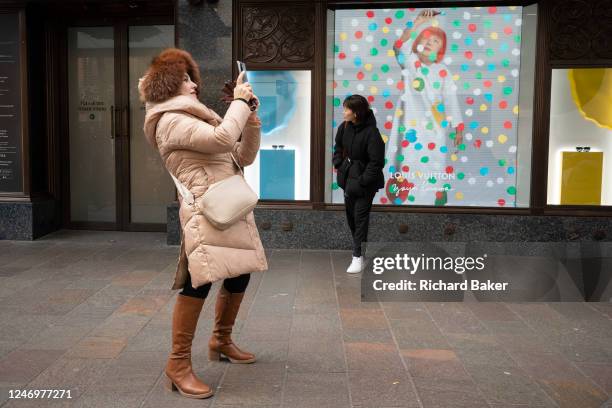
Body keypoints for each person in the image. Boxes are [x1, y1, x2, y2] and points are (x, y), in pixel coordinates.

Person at [139, 48, 267, 399]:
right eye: (185, 79)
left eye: (192, 77)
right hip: (205, 211)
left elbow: (242, 155)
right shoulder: (170, 120)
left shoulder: (197, 116)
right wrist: (238, 103)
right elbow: (224, 138)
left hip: (227, 205)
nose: (194, 84)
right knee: (200, 282)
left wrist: (250, 116)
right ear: (168, 85)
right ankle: (178, 365)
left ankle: (222, 341)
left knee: (238, 271)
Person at [388, 9, 464, 206]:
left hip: (434, 123)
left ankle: (433, 197)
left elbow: (451, 100)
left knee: (434, 160)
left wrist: (458, 127)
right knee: (408, 159)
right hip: (411, 123)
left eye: (436, 41)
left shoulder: (443, 71)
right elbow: (399, 46)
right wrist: (418, 22)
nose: (430, 42)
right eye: (427, 39)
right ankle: (406, 199)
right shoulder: (410, 62)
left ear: (441, 49)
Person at [332, 95, 385, 273]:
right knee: (351, 217)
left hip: (365, 184)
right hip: (348, 180)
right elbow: (338, 147)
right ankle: (361, 250)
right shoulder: (344, 127)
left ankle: (357, 256)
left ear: (356, 113)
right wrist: (339, 163)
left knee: (360, 217)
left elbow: (376, 162)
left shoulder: (372, 133)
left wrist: (363, 181)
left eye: (347, 109)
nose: (344, 112)